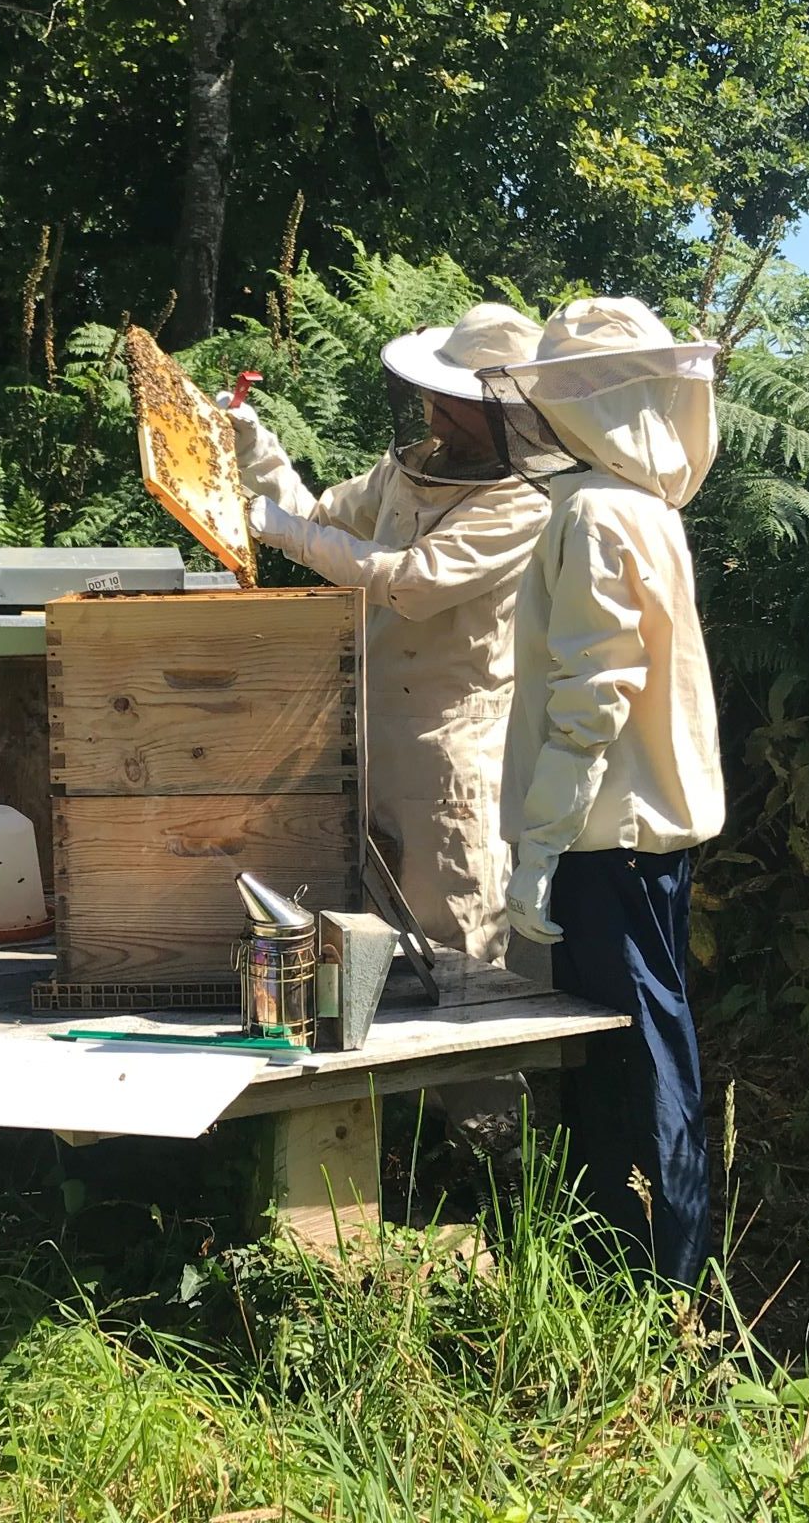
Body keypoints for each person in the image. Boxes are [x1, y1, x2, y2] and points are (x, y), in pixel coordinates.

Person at [217, 305, 550, 1145]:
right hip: (369, 726)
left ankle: (492, 1155)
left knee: (462, 930)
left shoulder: (524, 502)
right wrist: (252, 444)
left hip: (454, 741)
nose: (436, 417)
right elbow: (320, 521)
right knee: (370, 925)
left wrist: (282, 532)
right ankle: (392, 1130)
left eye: (455, 402)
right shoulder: (413, 468)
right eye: (433, 398)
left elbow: (411, 581)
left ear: (506, 409)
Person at [485, 296, 725, 1287]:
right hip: (628, 836)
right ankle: (615, 1261)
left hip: (604, 839)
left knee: (644, 1050)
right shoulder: (643, 508)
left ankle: (675, 1280)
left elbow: (595, 697)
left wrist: (540, 848)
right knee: (629, 1046)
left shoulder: (594, 512)